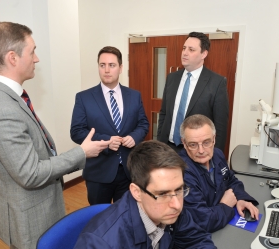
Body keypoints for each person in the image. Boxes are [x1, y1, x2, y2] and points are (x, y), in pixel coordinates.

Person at [0, 22, 109, 249]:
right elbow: (30, 173)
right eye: (32, 51)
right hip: (28, 218)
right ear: (13, 57)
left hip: (37, 208)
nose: (36, 59)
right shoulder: (1, 108)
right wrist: (82, 153)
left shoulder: (9, 98)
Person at [74, 140, 216, 249]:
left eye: (179, 190)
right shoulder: (100, 243)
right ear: (137, 192)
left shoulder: (171, 208)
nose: (177, 205)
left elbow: (197, 240)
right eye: (162, 194)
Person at [70, 46, 149, 205]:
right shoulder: (84, 98)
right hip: (99, 172)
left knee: (127, 216)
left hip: (129, 171)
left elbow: (143, 123)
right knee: (99, 218)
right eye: (102, 65)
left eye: (112, 65)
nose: (106, 70)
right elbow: (77, 131)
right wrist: (106, 141)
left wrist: (134, 137)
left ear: (120, 68)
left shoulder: (134, 95)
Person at [179, 114, 259, 233]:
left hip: (221, 224)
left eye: (206, 142)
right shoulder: (181, 173)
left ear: (214, 139)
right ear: (184, 144)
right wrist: (225, 205)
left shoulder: (217, 154)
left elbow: (231, 180)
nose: (201, 151)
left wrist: (240, 199)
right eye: (193, 144)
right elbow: (203, 221)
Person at [157, 31, 229, 153]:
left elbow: (220, 126)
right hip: (167, 148)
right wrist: (160, 141)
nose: (185, 53)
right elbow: (164, 113)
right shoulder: (172, 78)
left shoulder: (217, 83)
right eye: (184, 48)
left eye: (191, 49)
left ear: (203, 54)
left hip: (197, 151)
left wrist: (215, 156)